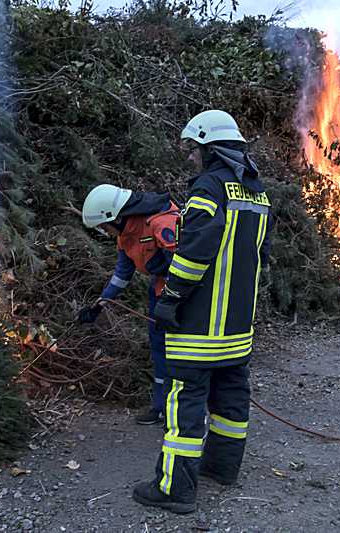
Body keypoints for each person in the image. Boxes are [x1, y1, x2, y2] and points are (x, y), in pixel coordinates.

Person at [131, 110, 273, 514]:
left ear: (210, 148)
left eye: (194, 149)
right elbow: (260, 255)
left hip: (199, 325)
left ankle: (175, 489)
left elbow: (194, 253)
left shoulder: (209, 189)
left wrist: (171, 298)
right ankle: (222, 468)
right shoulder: (257, 191)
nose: (191, 157)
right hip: (238, 327)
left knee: (186, 402)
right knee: (231, 397)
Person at [79, 184, 180, 424]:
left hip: (181, 296)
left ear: (114, 217)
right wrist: (99, 305)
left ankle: (181, 410)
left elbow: (184, 267)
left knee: (180, 351)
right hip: (159, 291)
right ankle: (160, 407)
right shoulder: (125, 235)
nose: (104, 231)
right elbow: (122, 274)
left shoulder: (162, 224)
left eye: (104, 226)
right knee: (159, 349)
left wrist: (173, 300)